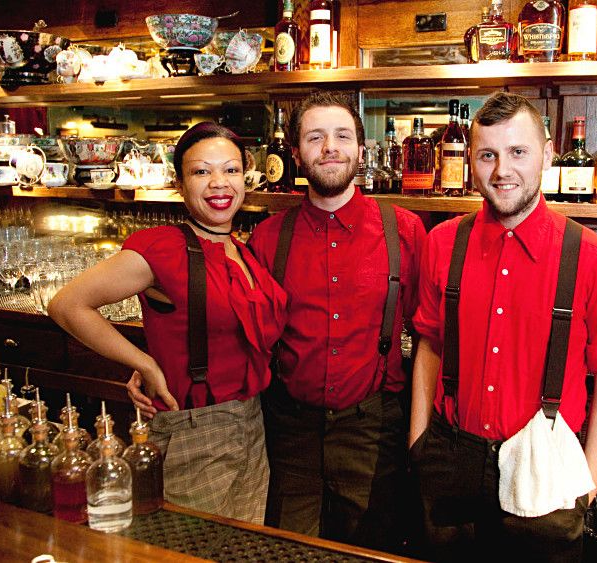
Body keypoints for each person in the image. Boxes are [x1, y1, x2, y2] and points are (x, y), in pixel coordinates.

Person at [409, 92, 597, 561]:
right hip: (452, 461)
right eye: (488, 155)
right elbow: (430, 347)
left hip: (546, 471)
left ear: (547, 156)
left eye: (518, 152)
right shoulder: (441, 244)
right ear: (471, 160)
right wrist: (419, 446)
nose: (501, 171)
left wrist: (585, 486)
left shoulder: (594, 259)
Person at [48, 122, 287, 524]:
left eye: (230, 170)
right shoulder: (163, 248)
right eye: (201, 172)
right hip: (196, 431)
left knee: (244, 548)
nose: (218, 183)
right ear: (179, 184)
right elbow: (67, 305)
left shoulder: (243, 251)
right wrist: (144, 363)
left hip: (253, 424)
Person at [246, 91, 427, 550]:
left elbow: (432, 336)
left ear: (361, 151)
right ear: (295, 152)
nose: (330, 146)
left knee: (368, 548)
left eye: (342, 135)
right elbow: (241, 331)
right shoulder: (267, 238)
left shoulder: (404, 231)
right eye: (315, 137)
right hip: (290, 430)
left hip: (373, 427)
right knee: (288, 546)